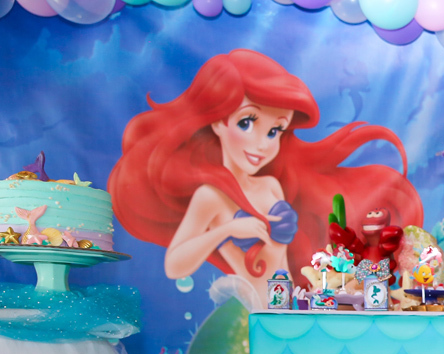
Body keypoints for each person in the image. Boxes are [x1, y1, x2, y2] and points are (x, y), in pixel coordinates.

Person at [110, 50, 422, 303]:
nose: (262, 144)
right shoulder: (211, 196)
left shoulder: (271, 186)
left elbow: (281, 262)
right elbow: (174, 264)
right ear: (218, 122)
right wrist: (228, 229)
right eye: (247, 123)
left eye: (275, 131)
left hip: (286, 307)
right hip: (252, 311)